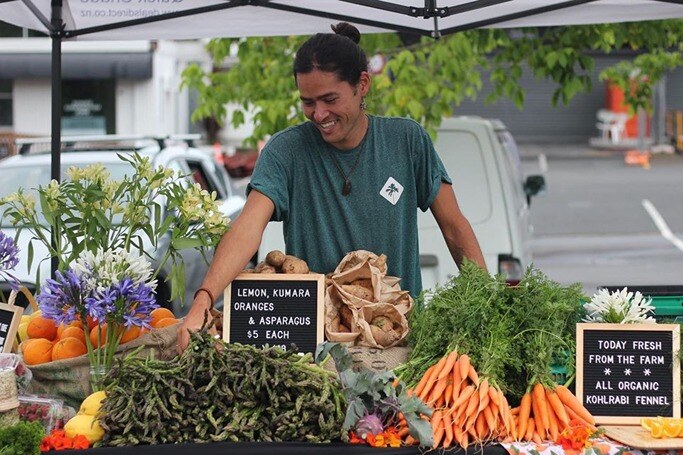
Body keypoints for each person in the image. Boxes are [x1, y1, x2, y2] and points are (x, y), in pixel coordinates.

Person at [177, 22, 485, 352]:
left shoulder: (407, 141)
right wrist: (202, 302)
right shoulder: (286, 151)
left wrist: (488, 299)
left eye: (329, 99)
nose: (319, 113)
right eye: (308, 102)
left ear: (362, 84)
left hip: (399, 341)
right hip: (319, 349)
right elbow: (247, 228)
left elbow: (454, 227)